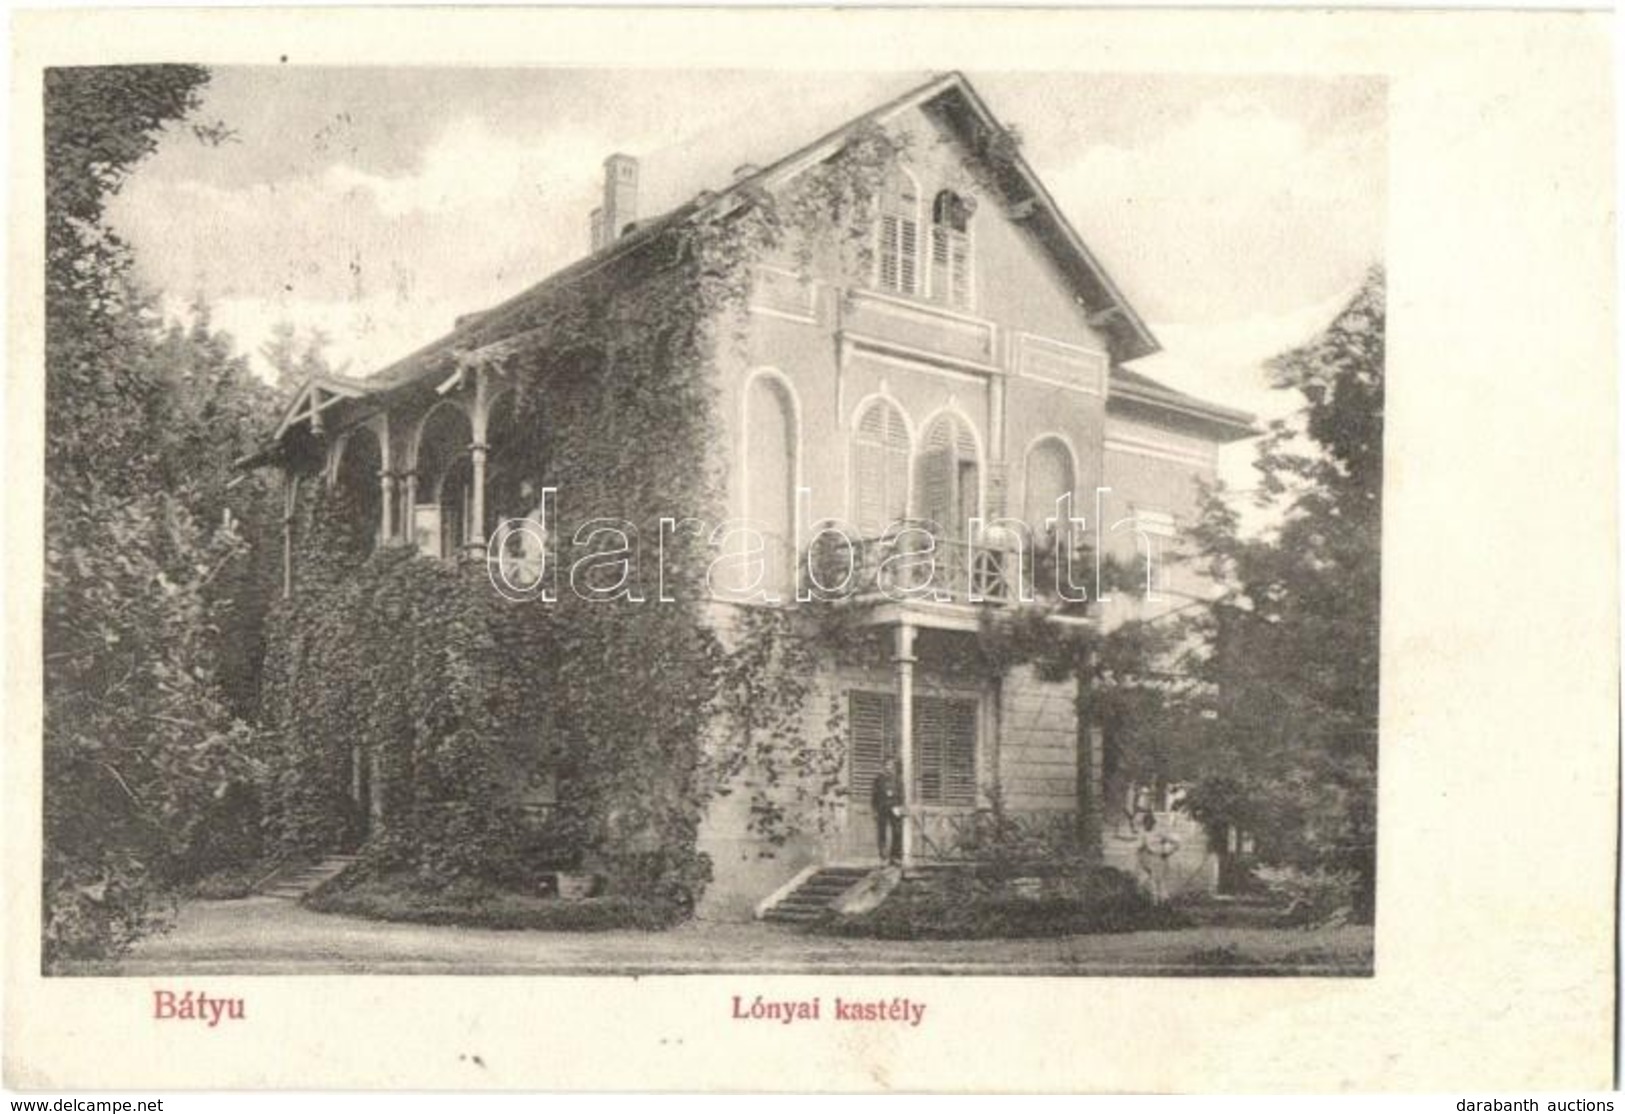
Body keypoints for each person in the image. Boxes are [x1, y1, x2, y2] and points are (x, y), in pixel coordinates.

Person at [1135, 810, 1181, 905]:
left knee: (1159, 883)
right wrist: (1139, 856)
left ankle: (1161, 904)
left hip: (1159, 859)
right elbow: (1140, 847)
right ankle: (1155, 904)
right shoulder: (1144, 833)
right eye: (1145, 823)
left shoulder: (1159, 832)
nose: (1146, 825)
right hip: (1148, 860)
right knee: (1147, 883)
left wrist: (1167, 852)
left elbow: (1176, 842)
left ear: (1152, 823)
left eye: (1149, 823)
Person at [870, 759, 905, 865]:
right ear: (883, 766)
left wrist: (900, 806)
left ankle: (895, 855)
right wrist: (874, 810)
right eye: (886, 765)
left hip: (895, 808)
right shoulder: (878, 779)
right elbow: (874, 796)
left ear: (893, 767)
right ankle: (883, 856)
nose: (888, 767)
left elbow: (902, 795)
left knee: (897, 831)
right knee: (882, 832)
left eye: (890, 765)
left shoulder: (898, 780)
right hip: (882, 808)